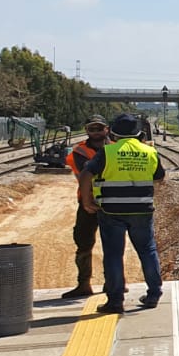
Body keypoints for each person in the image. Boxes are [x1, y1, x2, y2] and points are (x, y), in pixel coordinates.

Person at [80, 113, 165, 314]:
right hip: (142, 210)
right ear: (138, 133)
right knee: (147, 250)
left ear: (114, 134)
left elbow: (86, 173)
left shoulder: (107, 152)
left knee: (113, 255)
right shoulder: (149, 151)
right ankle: (154, 293)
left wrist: (87, 200)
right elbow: (159, 177)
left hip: (111, 211)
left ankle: (116, 301)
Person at [60, 115, 111, 300]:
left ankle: (112, 282)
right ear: (87, 130)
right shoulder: (80, 151)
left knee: (112, 244)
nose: (96, 132)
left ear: (107, 129)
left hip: (110, 201)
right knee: (83, 243)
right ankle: (84, 284)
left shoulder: (114, 147)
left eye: (99, 128)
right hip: (87, 202)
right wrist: (87, 201)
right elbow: (86, 174)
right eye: (92, 129)